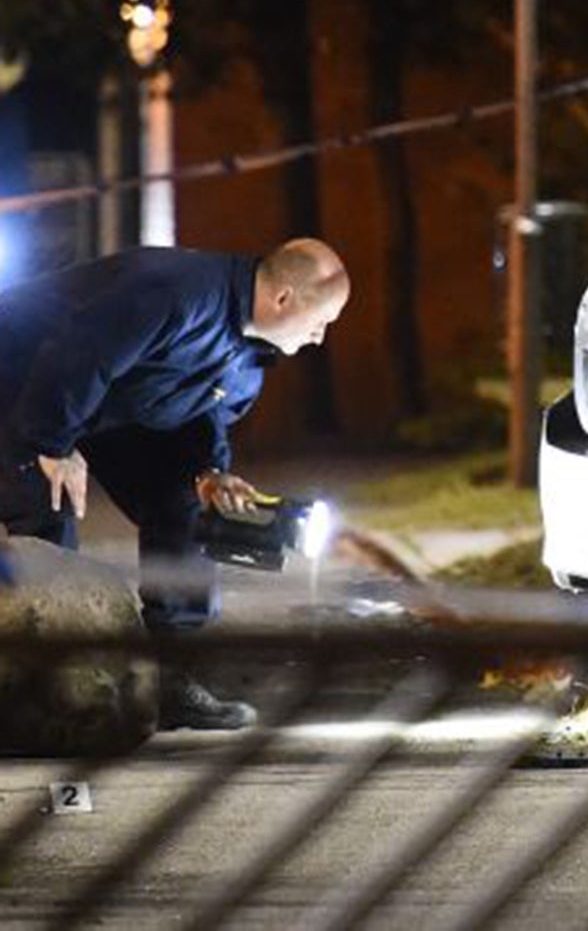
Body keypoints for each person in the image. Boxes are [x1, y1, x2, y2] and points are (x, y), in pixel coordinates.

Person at [0, 239, 349, 729]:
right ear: (284, 299)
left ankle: (167, 678)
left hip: (101, 406)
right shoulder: (176, 291)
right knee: (46, 501)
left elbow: (198, 420)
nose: (320, 336)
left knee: (189, 506)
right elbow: (82, 351)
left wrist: (211, 474)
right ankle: (44, 690)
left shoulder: (248, 362)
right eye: (323, 319)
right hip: (21, 378)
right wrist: (51, 445)